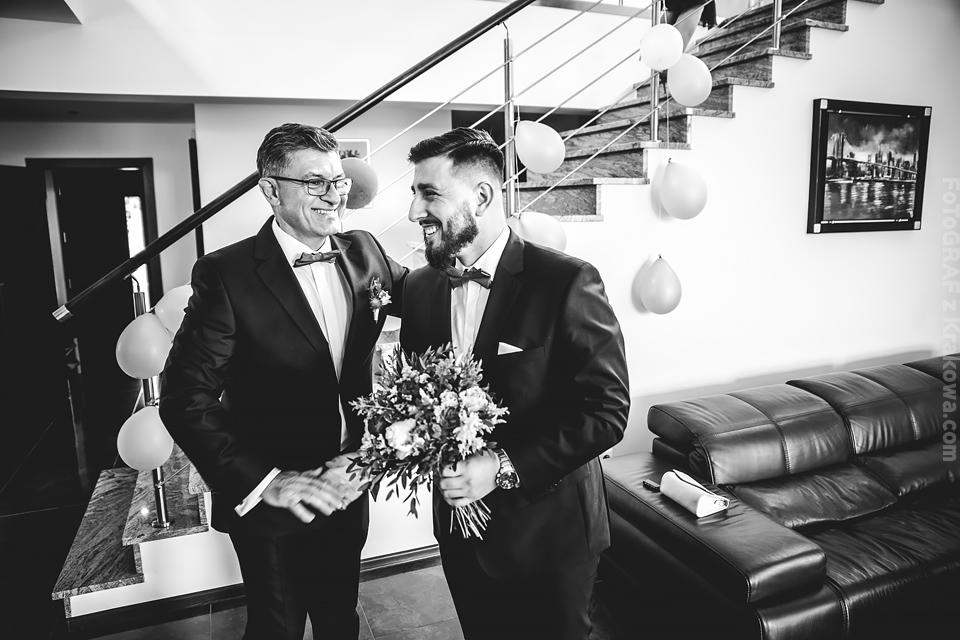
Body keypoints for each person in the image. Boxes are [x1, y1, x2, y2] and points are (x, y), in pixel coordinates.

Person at [159, 123, 406, 640]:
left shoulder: (366, 250)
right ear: (271, 190)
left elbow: (430, 298)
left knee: (340, 618)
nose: (334, 195)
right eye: (315, 182)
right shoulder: (226, 274)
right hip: (272, 497)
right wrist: (264, 481)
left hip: (348, 483)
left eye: (338, 180)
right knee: (278, 628)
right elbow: (185, 396)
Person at [400, 127, 630, 640]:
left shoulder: (566, 281)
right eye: (414, 193)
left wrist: (502, 467)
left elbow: (606, 411)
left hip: (550, 537)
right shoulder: (418, 288)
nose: (415, 211)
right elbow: (421, 399)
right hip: (459, 533)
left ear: (482, 197)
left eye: (429, 193)